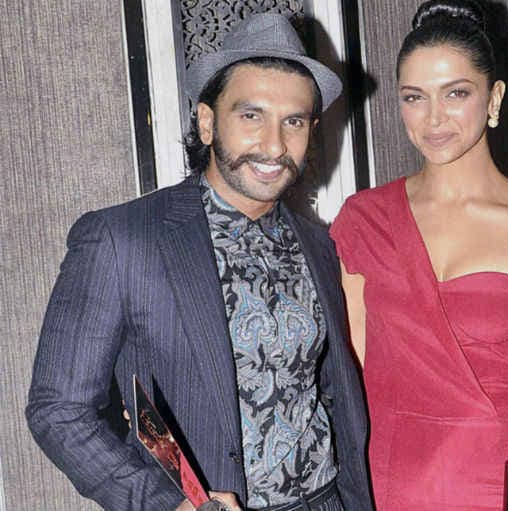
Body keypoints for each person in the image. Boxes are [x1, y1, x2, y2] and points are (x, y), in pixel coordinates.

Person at [26, 13, 372, 511]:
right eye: (251, 116)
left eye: (293, 121)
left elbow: (328, 392)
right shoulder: (123, 240)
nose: (274, 144)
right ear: (207, 122)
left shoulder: (319, 245)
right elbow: (58, 409)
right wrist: (163, 504)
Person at [329, 1, 508, 509]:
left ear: (494, 98)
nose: (434, 119)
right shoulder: (365, 219)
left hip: (496, 471)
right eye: (414, 97)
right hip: (386, 472)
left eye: (456, 93)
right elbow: (349, 368)